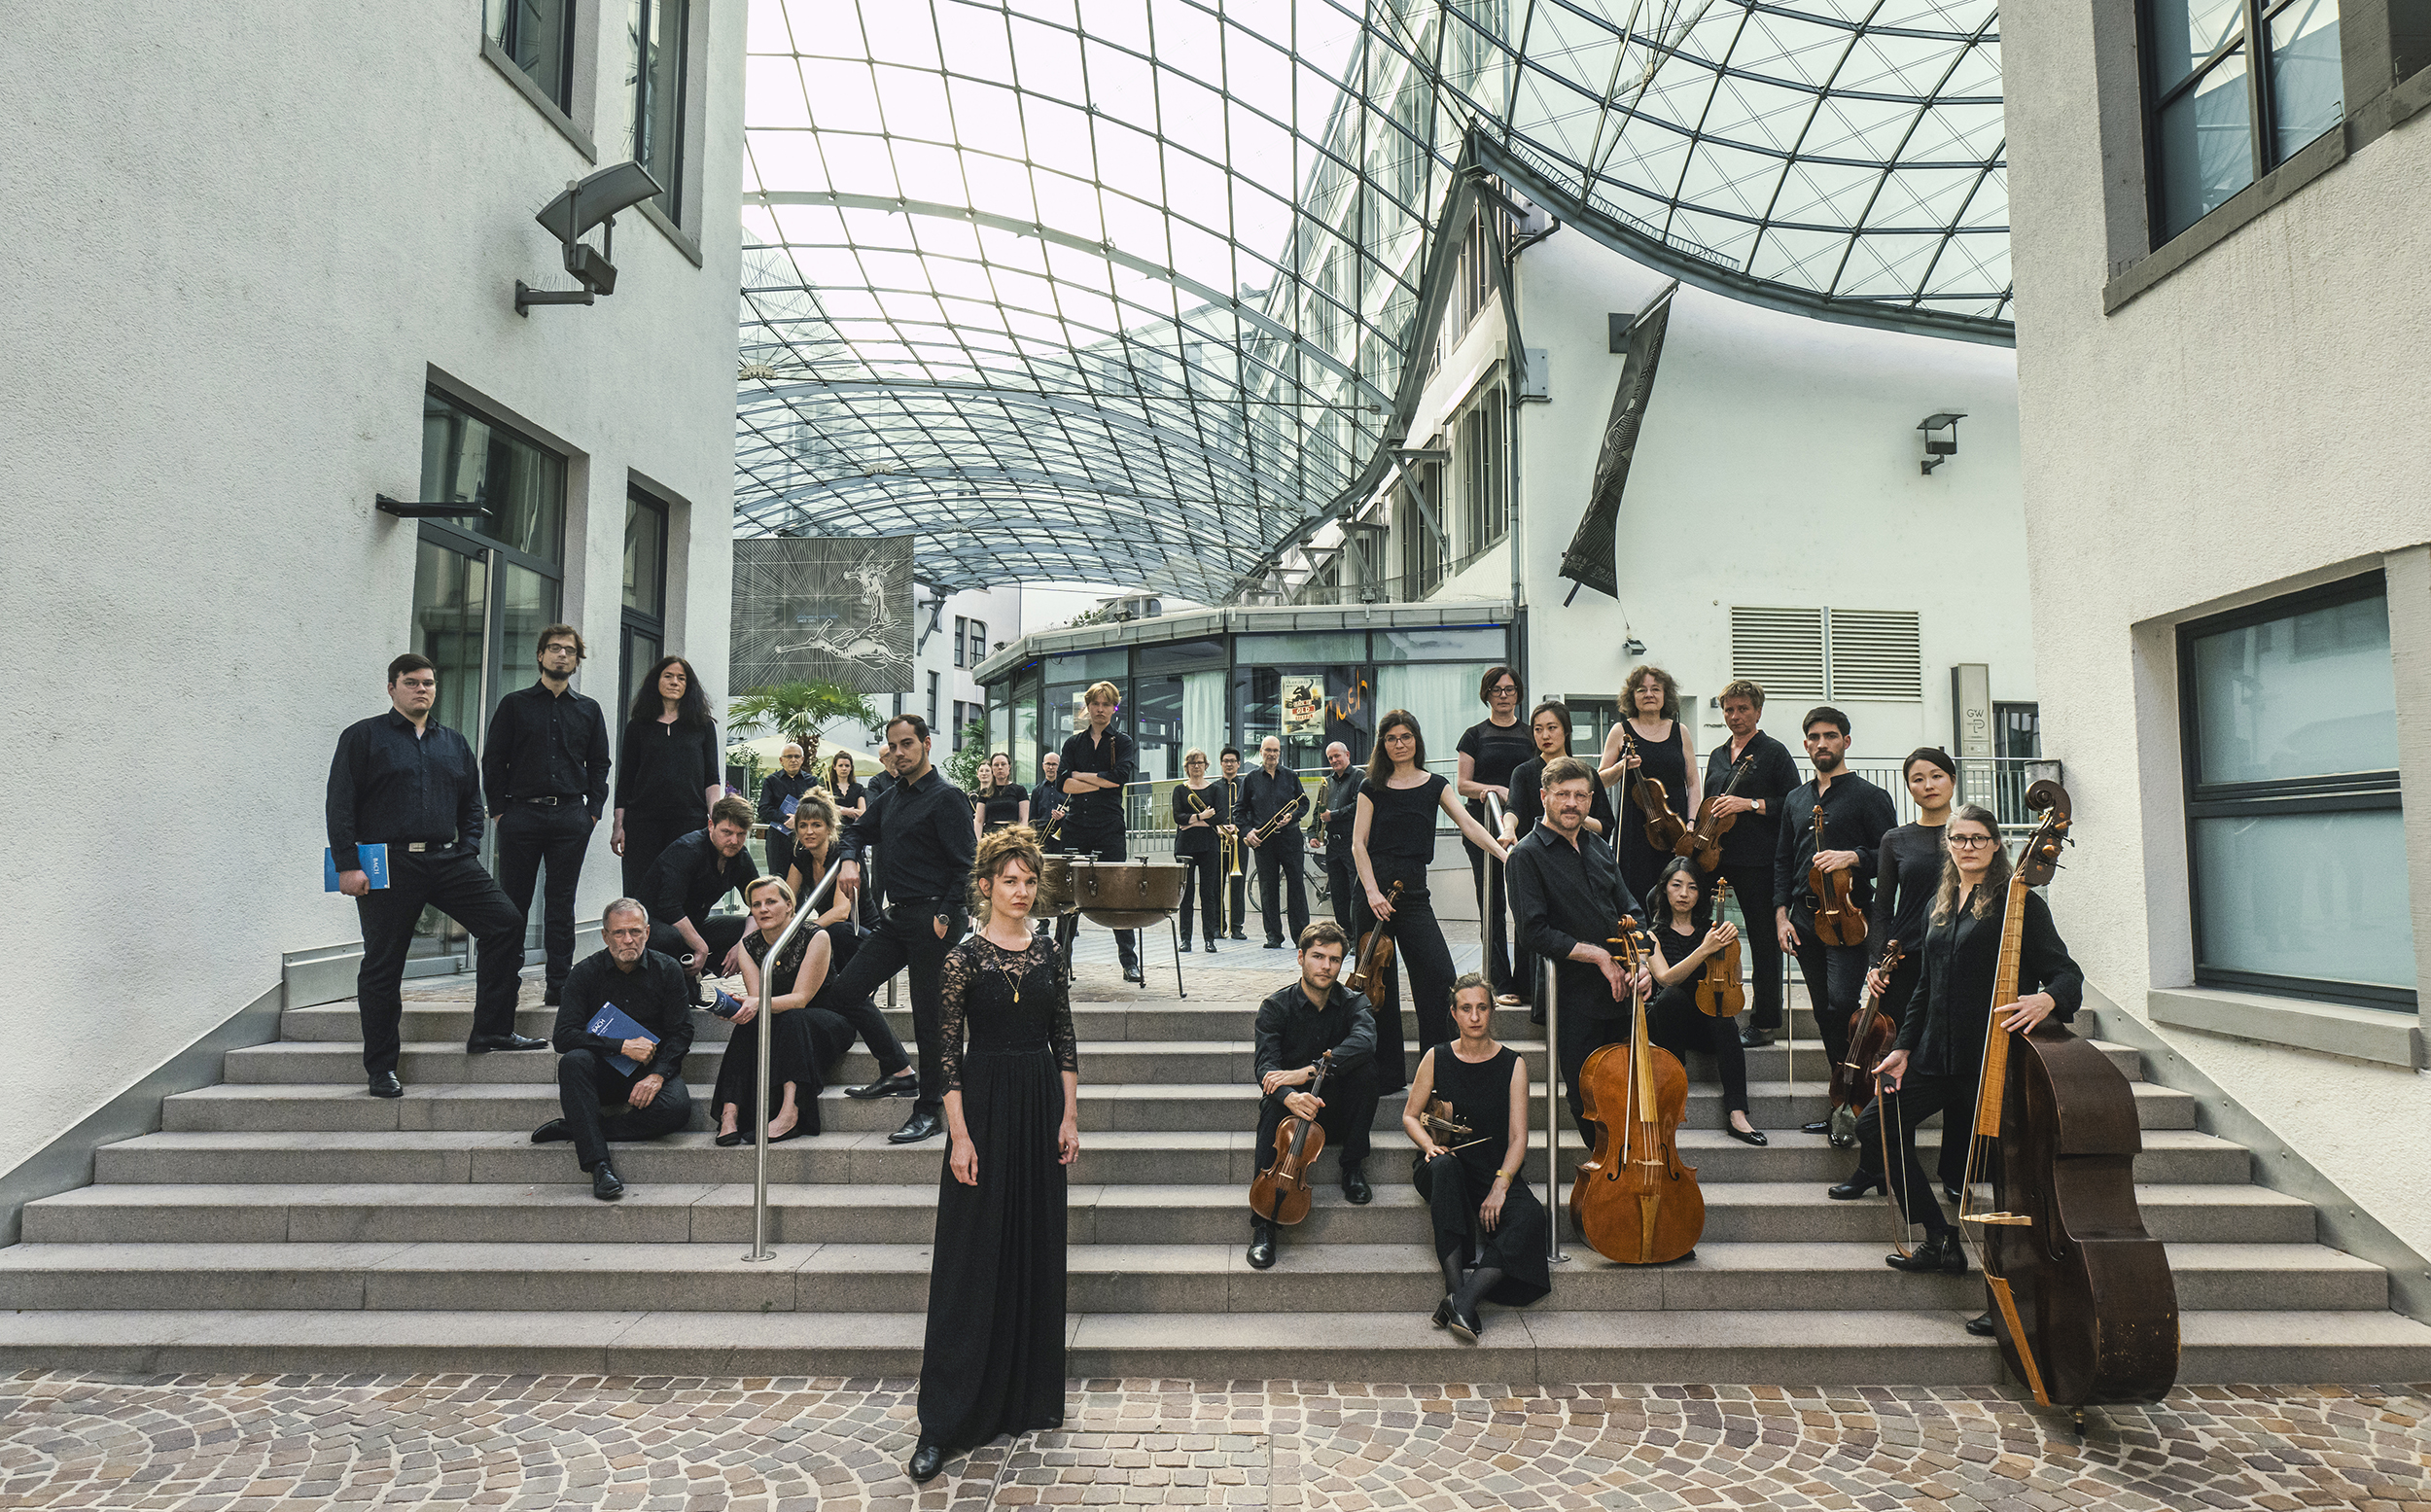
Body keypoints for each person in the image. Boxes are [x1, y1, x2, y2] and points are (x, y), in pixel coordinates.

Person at [905, 826, 1079, 1484]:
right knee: (969, 1257)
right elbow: (945, 1054)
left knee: (1033, 1243)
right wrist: (959, 1133)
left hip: (1039, 1103)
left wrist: (1069, 1115)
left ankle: (1023, 1395)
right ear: (985, 886)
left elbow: (1065, 1037)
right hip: (981, 1103)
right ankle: (942, 1420)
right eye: (1009, 880)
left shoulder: (1049, 953)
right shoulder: (964, 958)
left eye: (1029, 880)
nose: (1021, 890)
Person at [1872, 803, 2083, 1339]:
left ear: (1995, 844)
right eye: (1958, 838)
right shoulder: (1939, 905)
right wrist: (1903, 1046)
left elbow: (2066, 973)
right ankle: (1940, 1238)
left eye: (1978, 838)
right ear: (1949, 845)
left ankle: (2008, 1294)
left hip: (1992, 1061)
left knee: (1989, 1182)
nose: (1967, 847)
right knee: (1878, 1126)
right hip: (1934, 1055)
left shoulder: (2019, 904)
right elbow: (1924, 986)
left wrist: (2046, 1000)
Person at [328, 653, 545, 1098]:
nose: (422, 690)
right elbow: (340, 804)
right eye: (411, 683)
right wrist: (347, 864)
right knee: (383, 964)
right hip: (388, 862)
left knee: (505, 922)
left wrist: (466, 847)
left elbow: (472, 802)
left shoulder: (453, 742)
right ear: (392, 688)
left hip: (448, 860)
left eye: (428, 683)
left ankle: (492, 1030)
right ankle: (381, 1067)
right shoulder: (363, 738)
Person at [828, 715, 977, 1143]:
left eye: (907, 744)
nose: (899, 753)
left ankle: (930, 1109)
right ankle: (897, 1069)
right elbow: (855, 831)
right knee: (846, 990)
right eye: (893, 746)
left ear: (926, 745)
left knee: (930, 1020)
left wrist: (946, 917)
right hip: (897, 917)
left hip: (934, 919)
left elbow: (967, 867)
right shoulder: (893, 795)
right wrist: (850, 860)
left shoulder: (947, 797)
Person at [1352, 710, 1511, 1096]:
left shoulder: (1434, 784)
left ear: (1416, 741)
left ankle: (1434, 1072)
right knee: (1379, 989)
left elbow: (1470, 825)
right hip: (1372, 894)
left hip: (1414, 893)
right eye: (1391, 738)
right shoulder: (1370, 785)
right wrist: (1372, 892)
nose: (1399, 744)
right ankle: (1387, 1075)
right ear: (1382, 744)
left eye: (1406, 736)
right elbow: (1358, 843)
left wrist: (1506, 855)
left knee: (1439, 978)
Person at [1832, 748, 1959, 1201]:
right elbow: (1882, 909)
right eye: (1918, 779)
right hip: (1902, 963)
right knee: (1887, 1066)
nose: (1928, 785)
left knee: (1954, 1070)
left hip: (1956, 963)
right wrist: (1873, 966)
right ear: (1909, 787)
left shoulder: (1968, 835)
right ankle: (1874, 1167)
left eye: (1937, 776)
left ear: (1952, 780)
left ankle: (1956, 1172)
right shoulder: (1895, 840)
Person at [1505, 756, 1649, 1149]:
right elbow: (1534, 932)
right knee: (1587, 1097)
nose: (1572, 803)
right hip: (1570, 997)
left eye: (1580, 796)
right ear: (1543, 797)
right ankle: (1608, 1174)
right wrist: (1599, 956)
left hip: (1622, 993)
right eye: (1562, 795)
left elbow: (1632, 910)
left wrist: (1643, 961)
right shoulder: (1526, 855)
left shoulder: (1599, 846)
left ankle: (1636, 1165)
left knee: (1632, 1090)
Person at [1404, 973, 1550, 1342]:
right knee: (1446, 1166)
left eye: (1482, 1008)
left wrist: (1502, 1184)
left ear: (1491, 1011)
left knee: (1531, 1215)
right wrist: (1427, 1145)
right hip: (1442, 1166)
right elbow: (1409, 1114)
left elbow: (1519, 1137)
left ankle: (1462, 1301)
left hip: (1493, 1168)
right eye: (1466, 1008)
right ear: (1454, 1013)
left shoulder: (1513, 1064)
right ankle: (1457, 1287)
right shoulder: (1436, 1057)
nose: (1474, 1016)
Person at [1773, 706, 1897, 1135]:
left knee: (1842, 1006)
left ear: (1846, 741)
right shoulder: (1796, 799)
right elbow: (1784, 860)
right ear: (1805, 744)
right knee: (1825, 1015)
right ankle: (1841, 1100)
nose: (1821, 743)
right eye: (1813, 737)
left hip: (1848, 920)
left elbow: (1890, 856)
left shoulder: (1868, 796)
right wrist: (1780, 915)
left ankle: (1863, 1097)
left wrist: (1854, 856)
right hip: (1804, 919)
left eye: (1830, 735)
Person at [481, 623, 613, 1008]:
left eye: (569, 650)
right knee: (513, 903)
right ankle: (507, 981)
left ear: (576, 659)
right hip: (521, 816)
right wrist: (500, 812)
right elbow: (493, 760)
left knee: (561, 904)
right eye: (554, 648)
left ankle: (559, 985)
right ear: (540, 655)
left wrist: (592, 812)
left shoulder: (588, 709)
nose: (561, 655)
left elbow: (600, 764)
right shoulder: (514, 704)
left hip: (571, 818)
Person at [532, 898, 695, 1201]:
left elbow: (681, 1032)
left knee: (676, 1110)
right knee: (572, 1061)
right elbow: (564, 1036)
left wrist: (658, 1076)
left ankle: (579, 1128)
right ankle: (599, 1166)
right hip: (602, 1070)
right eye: (619, 933)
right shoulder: (584, 973)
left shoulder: (668, 969)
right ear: (606, 936)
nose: (628, 940)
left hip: (648, 1069)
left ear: (647, 932)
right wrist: (620, 1046)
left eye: (635, 931)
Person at [1245, 921, 1380, 1271]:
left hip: (1336, 1108)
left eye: (1334, 960)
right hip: (1292, 1114)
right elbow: (1266, 1069)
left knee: (1367, 1071)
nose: (1326, 966)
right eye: (1318, 957)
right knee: (1271, 1104)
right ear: (1301, 957)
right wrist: (1290, 1096)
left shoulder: (1354, 1002)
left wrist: (1309, 1071)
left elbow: (1365, 1042)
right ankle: (1264, 1223)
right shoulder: (1275, 1007)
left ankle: (1351, 1167)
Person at [783, 786, 919, 1107]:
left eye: (816, 825)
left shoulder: (844, 855)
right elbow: (788, 901)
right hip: (833, 934)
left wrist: (801, 928)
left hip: (868, 936)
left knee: (835, 932)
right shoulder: (801, 857)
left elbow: (843, 912)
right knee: (820, 937)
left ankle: (846, 993)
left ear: (830, 828)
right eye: (802, 825)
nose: (809, 831)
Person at [1699, 681, 1801, 1049]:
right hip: (1715, 856)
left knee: (1762, 940)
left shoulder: (1774, 752)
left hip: (1759, 860)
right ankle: (1701, 1007)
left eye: (1743, 709)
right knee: (1697, 928)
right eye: (1729, 709)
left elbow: (1793, 804)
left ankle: (1766, 1022)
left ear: (1758, 711)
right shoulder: (1716, 753)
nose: (1735, 716)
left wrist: (1749, 804)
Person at [1500, 701, 1614, 1018]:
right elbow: (1513, 809)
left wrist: (1570, 818)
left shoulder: (1586, 773)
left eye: (1552, 727)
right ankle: (1526, 987)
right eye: (1538, 729)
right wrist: (1508, 829)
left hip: (1580, 860)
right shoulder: (1524, 772)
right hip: (1540, 856)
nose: (1545, 735)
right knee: (1534, 923)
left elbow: (1606, 823)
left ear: (1565, 730)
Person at [1644, 858, 1765, 1144]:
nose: (1684, 894)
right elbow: (1665, 978)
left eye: (1692, 887)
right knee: (1672, 997)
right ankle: (1673, 1089)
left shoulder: (1711, 932)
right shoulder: (1652, 936)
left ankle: (1737, 1113)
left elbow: (1735, 980)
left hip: (1703, 1026)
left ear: (1700, 894)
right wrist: (1704, 949)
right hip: (1666, 1023)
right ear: (1665, 890)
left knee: (1723, 1015)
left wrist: (1729, 949)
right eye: (1677, 885)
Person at [717, 876, 837, 1145]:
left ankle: (790, 1112)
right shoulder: (748, 946)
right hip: (781, 1020)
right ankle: (729, 1112)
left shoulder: (816, 936)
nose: (763, 909)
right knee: (748, 1023)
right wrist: (736, 1007)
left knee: (793, 1017)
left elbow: (801, 999)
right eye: (756, 904)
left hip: (825, 1020)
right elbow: (758, 1001)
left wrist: (755, 1004)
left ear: (790, 906)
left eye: (771, 901)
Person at [1456, 666, 1534, 1005]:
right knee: (1492, 904)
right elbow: (1462, 784)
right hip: (1483, 828)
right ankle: (1502, 982)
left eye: (1510, 689)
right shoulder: (1474, 735)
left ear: (1518, 693)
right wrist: (1496, 789)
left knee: (1526, 905)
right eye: (1497, 690)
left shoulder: (1531, 735)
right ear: (1486, 694)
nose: (1504, 695)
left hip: (1525, 830)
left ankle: (1527, 979)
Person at [612, 655, 722, 897]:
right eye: (668, 676)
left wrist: (716, 821)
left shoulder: (702, 726)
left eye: (681, 678)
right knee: (640, 891)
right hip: (642, 822)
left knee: (683, 891)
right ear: (656, 682)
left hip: (689, 821)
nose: (674, 682)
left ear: (688, 685)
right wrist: (618, 825)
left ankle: (681, 937)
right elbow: (626, 779)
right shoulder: (638, 726)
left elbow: (712, 778)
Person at [1055, 681, 1144, 983]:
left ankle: (1129, 963)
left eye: (1107, 704)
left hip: (1109, 828)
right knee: (1069, 896)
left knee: (1119, 893)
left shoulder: (1123, 742)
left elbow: (1119, 779)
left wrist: (1080, 775)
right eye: (1096, 704)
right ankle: (1061, 962)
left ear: (1113, 708)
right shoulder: (1073, 744)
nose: (1101, 709)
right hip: (1076, 826)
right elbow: (1062, 784)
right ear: (1088, 707)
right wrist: (1098, 779)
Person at [640, 795, 761, 1002]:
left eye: (741, 834)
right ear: (711, 825)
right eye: (727, 832)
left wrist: (743, 945)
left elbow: (759, 902)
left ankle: (706, 975)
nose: (734, 841)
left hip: (693, 925)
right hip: (654, 926)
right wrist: (701, 947)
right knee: (671, 938)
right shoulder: (688, 849)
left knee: (755, 933)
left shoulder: (740, 856)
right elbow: (670, 908)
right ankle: (680, 987)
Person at [1602, 665, 1699, 906]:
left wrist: (1691, 823)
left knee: (1675, 892)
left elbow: (1694, 783)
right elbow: (1600, 779)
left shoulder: (1680, 731)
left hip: (1675, 828)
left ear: (1666, 695)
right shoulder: (1620, 731)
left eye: (1656, 689)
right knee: (1636, 890)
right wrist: (1621, 767)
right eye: (1641, 689)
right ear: (1632, 696)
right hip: (1637, 825)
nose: (1649, 694)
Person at [1242, 735, 1311, 948]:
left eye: (1276, 750)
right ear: (1261, 752)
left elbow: (1304, 803)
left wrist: (1293, 815)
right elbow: (1239, 811)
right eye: (1268, 750)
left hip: (1290, 838)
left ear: (1280, 753)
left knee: (1297, 887)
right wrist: (1248, 832)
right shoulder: (1251, 778)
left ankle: (1301, 936)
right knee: (1267, 888)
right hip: (1264, 842)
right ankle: (1273, 935)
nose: (1272, 754)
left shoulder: (1290, 776)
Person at [1171, 748, 1229, 951]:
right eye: (1192, 763)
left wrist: (1191, 821)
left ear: (1206, 765)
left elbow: (1220, 817)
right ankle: (1185, 939)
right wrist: (1202, 817)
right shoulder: (1180, 790)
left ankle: (1209, 939)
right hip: (1185, 846)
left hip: (1209, 846)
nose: (1196, 766)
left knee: (1209, 893)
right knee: (1186, 894)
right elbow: (1177, 818)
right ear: (1186, 767)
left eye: (1200, 762)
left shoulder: (1215, 790)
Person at [1311, 741, 1364, 936]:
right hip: (1333, 844)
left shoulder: (1360, 777)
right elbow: (1318, 812)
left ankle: (1359, 935)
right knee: (1338, 893)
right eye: (1330, 758)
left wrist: (1334, 815)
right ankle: (1346, 935)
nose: (1334, 760)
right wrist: (1312, 834)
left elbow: (1359, 805)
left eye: (1337, 756)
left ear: (1347, 754)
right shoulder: (1327, 782)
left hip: (1352, 843)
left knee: (1355, 892)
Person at [758, 742, 815, 882]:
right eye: (789, 756)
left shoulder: (812, 781)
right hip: (778, 839)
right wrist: (785, 819)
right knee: (778, 880)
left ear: (802, 759)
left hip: (804, 838)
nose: (793, 760)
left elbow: (817, 807)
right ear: (781, 760)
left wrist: (799, 819)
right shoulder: (771, 781)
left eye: (797, 756)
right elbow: (763, 808)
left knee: (803, 880)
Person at [973, 751, 1030, 837]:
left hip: (1012, 836)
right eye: (996, 765)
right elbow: (979, 821)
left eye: (1003, 764)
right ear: (992, 768)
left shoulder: (1019, 790)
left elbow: (1023, 819)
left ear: (1009, 767)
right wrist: (978, 842)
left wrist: (1021, 839)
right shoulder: (985, 792)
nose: (1000, 767)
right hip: (990, 836)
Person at [1030, 752, 1065, 847]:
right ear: (1043, 766)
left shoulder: (1066, 788)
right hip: (1042, 836)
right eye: (1048, 764)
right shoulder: (1037, 791)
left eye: (1054, 764)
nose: (1050, 768)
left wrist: (1063, 815)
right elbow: (1032, 818)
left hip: (1063, 834)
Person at [825, 750, 868, 823]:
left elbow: (863, 811)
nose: (844, 768)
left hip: (853, 829)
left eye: (847, 766)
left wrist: (838, 809)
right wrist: (847, 811)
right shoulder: (827, 786)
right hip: (832, 827)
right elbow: (826, 807)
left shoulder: (858, 788)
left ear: (851, 768)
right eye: (840, 765)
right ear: (834, 767)